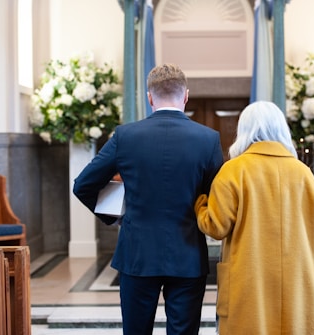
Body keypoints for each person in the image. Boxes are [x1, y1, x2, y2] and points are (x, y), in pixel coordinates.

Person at [73, 63, 224, 335]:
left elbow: (83, 185)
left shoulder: (125, 136)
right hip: (187, 255)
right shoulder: (208, 139)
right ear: (186, 95)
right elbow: (217, 196)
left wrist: (116, 215)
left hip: (137, 254)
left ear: (150, 97)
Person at [194, 101, 314, 334]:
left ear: (244, 130)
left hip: (249, 280)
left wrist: (200, 203)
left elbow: (215, 226)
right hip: (296, 280)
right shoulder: (304, 173)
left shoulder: (235, 170)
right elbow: (313, 223)